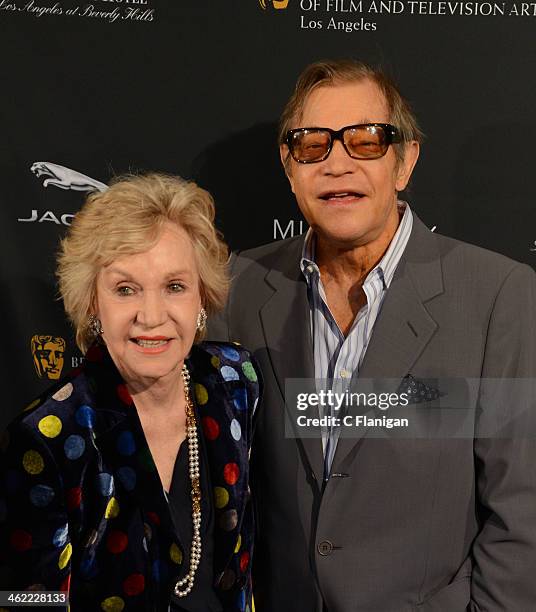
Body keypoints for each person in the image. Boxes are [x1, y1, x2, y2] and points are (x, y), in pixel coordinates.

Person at [207, 59, 536, 611]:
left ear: (405, 161)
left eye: (365, 141)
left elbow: (524, 515)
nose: (337, 163)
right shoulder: (238, 288)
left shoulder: (499, 296)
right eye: (313, 144)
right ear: (289, 166)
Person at [0, 173, 260, 612]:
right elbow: (26, 603)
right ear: (92, 304)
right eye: (125, 289)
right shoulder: (48, 438)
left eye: (174, 286)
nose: (152, 315)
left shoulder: (234, 381)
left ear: (202, 298)